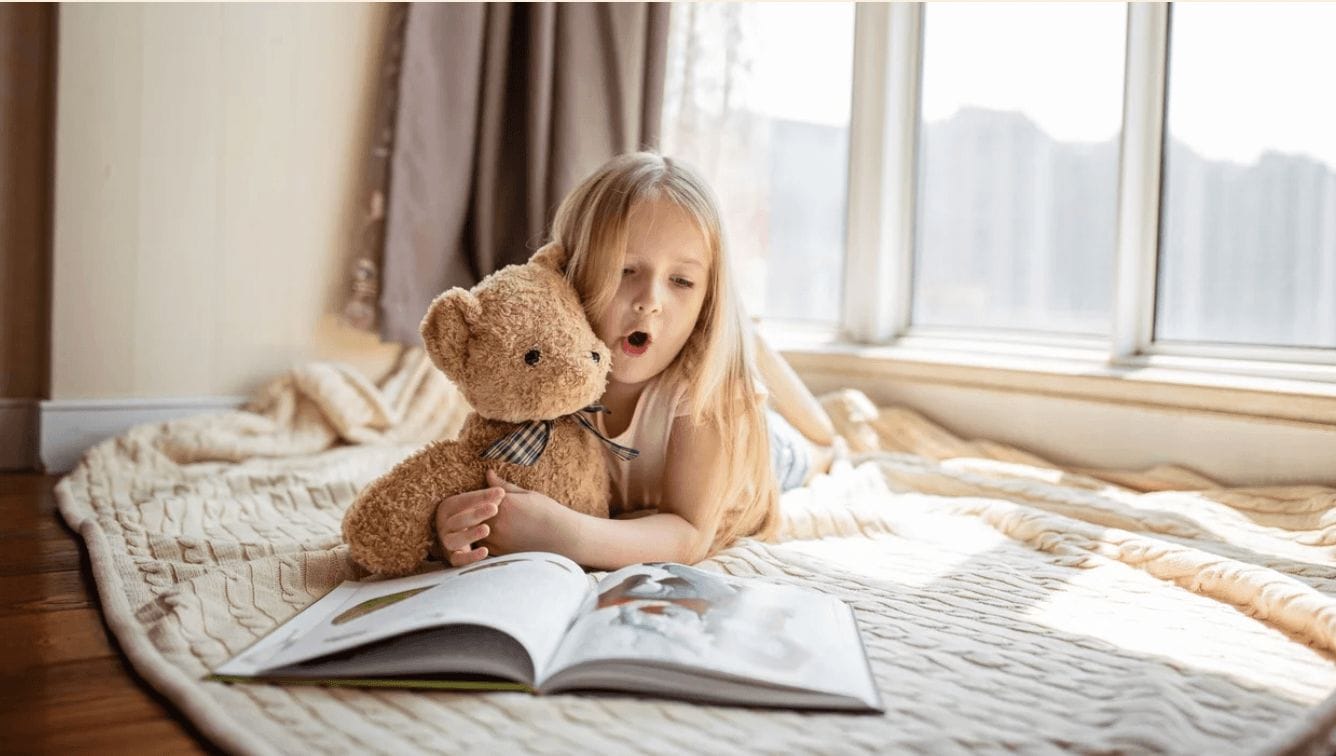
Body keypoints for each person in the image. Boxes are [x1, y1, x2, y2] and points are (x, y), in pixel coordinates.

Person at [432, 151, 841, 571]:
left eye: (681, 281)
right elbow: (476, 473)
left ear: (705, 299)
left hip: (763, 453)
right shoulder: (542, 370)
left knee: (819, 444)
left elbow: (688, 534)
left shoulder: (707, 391)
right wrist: (457, 525)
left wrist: (562, 533)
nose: (650, 301)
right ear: (570, 269)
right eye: (626, 270)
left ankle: (750, 343)